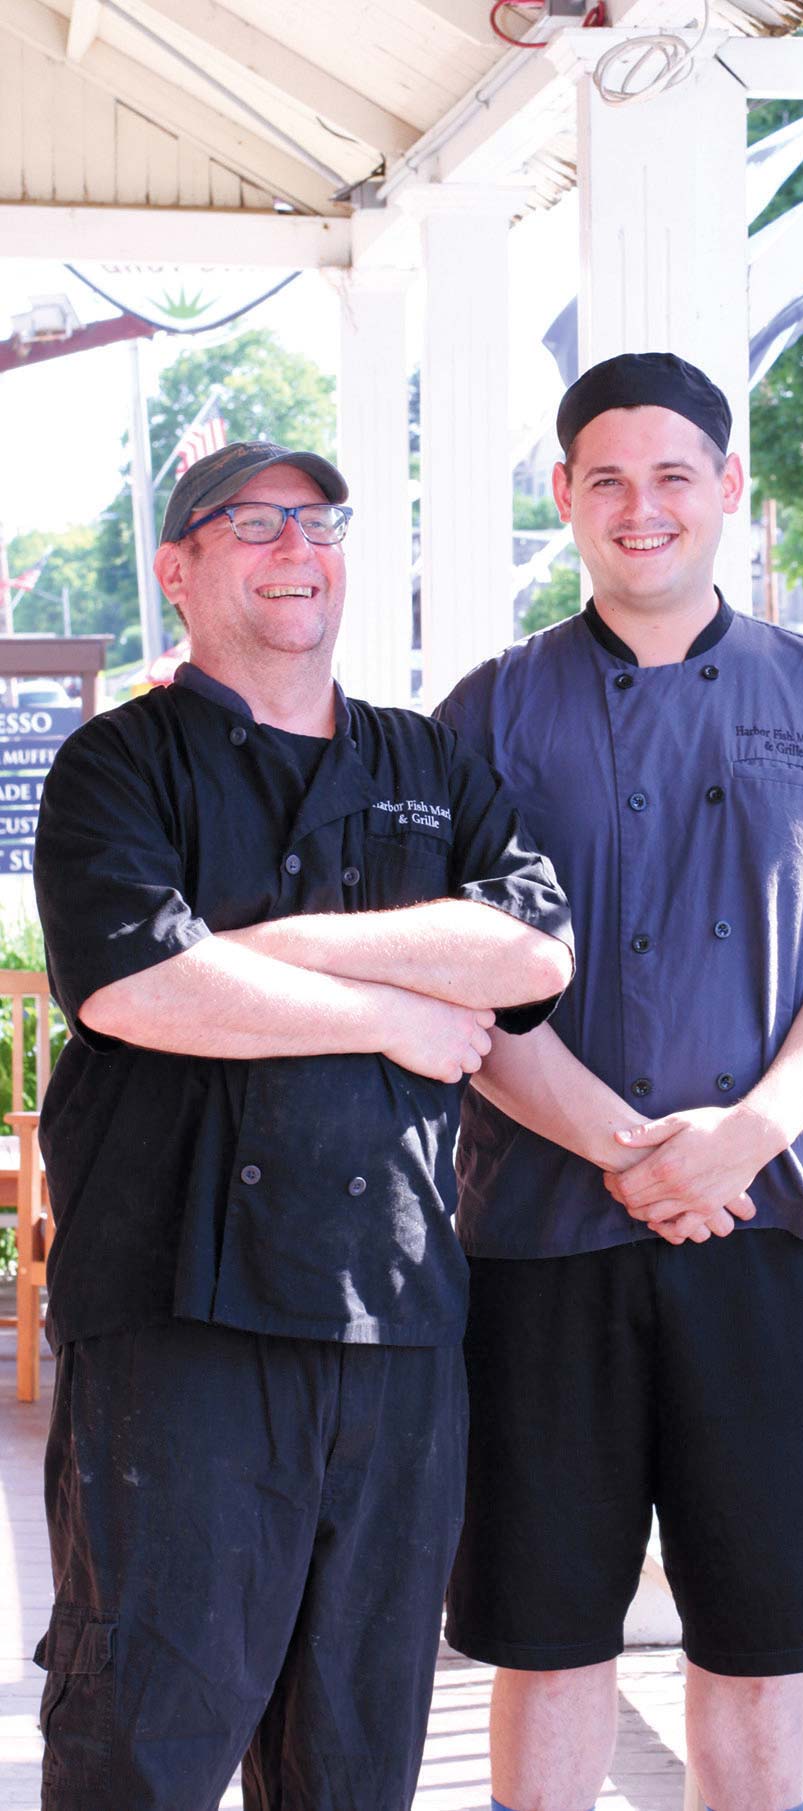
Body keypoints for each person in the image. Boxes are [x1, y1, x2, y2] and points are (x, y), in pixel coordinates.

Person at [32, 441, 574, 1811]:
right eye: (254, 523)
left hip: (391, 1323)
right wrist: (395, 1012)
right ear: (179, 570)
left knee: (355, 1756)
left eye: (321, 522)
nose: (298, 548)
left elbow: (530, 953)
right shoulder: (116, 767)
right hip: (177, 1322)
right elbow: (139, 986)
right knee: (142, 1739)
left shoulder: (427, 763)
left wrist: (272, 956)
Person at [435, 352, 803, 1811]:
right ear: (564, 497)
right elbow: (454, 974)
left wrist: (750, 1137)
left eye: (673, 476)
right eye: (607, 478)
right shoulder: (485, 717)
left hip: (770, 1238)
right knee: (546, 1630)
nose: (640, 507)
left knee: (761, 1638)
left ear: (729, 488)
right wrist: (632, 1151)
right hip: (537, 1240)